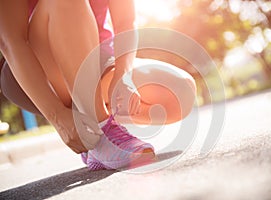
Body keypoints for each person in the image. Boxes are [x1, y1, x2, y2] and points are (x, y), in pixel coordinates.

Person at [0, 0, 196, 170]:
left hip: (96, 57)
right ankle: (103, 131)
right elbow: (11, 41)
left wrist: (123, 77)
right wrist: (57, 116)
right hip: (35, 70)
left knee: (181, 92)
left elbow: (125, 21)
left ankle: (92, 125)